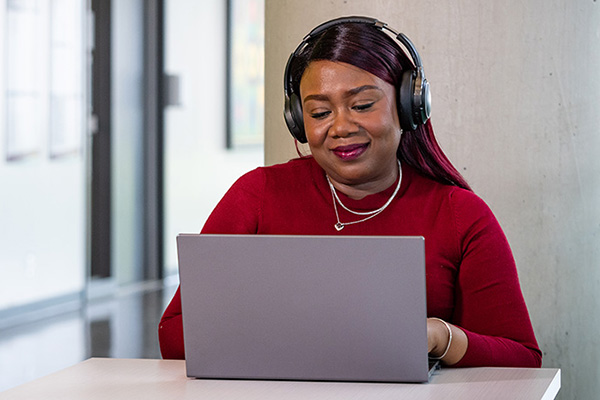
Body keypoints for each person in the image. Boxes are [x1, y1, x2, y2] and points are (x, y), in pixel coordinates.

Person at [159, 16, 542, 368]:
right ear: (297, 120)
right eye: (320, 113)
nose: (341, 127)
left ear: (409, 105)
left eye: (362, 104)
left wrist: (439, 336)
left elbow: (521, 358)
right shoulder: (257, 195)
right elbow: (175, 333)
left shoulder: (460, 214)